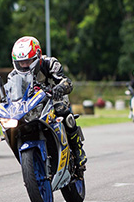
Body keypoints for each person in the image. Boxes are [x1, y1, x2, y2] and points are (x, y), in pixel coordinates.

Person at [5, 36, 86, 167]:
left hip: (54, 98)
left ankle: (78, 150)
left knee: (63, 112)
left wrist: (60, 87)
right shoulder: (13, 75)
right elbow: (11, 95)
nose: (24, 65)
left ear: (37, 56)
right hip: (30, 105)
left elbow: (66, 82)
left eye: (28, 61)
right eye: (21, 62)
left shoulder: (50, 63)